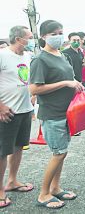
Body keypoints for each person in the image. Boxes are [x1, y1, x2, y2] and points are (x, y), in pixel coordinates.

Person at [29, 20, 84, 209]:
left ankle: (55, 187)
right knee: (58, 153)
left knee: (62, 152)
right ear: (43, 36)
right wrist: (66, 84)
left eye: (61, 32)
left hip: (66, 112)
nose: (59, 36)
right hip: (52, 114)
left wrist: (75, 83)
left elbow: (68, 77)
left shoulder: (62, 55)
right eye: (54, 34)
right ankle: (43, 194)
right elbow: (34, 88)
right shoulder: (40, 59)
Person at [0, 26, 35, 208]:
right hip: (6, 112)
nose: (31, 40)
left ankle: (12, 181)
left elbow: (28, 80)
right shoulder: (3, 55)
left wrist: (33, 96)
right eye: (29, 37)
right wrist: (1, 106)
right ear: (18, 38)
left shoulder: (27, 56)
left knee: (18, 147)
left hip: (24, 109)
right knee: (2, 152)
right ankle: (0, 190)